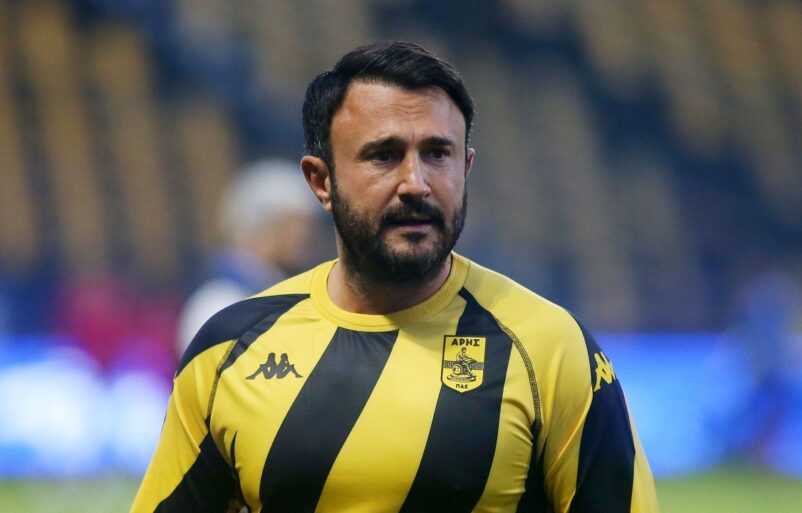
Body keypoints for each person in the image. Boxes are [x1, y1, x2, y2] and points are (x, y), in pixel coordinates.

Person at [131, 41, 658, 513]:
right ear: (321, 181)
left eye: (437, 154)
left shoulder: (550, 347)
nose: (416, 183)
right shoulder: (229, 349)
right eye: (383, 156)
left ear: (466, 167)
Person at [175, 159, 322, 356]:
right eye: (296, 225)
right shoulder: (220, 303)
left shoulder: (272, 289)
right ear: (267, 226)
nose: (305, 236)